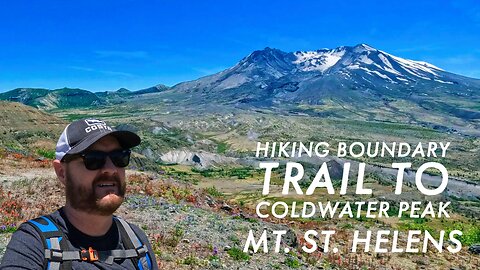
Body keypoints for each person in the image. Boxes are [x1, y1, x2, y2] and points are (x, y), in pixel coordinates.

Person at [0, 118, 158, 269]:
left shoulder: (136, 241)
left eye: (119, 157)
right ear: (62, 173)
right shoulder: (33, 244)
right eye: (93, 159)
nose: (111, 169)